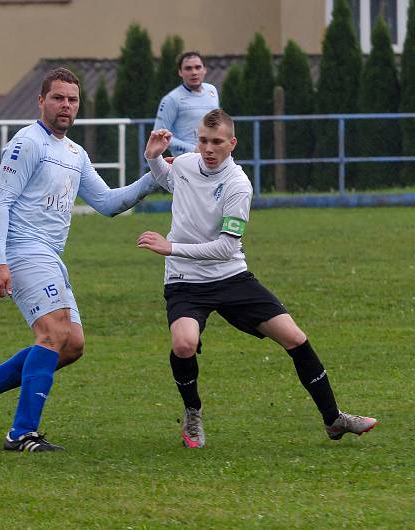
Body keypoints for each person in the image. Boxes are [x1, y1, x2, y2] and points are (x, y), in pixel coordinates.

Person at [137, 109, 377, 448]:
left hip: (231, 276)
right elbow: (171, 180)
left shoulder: (238, 184)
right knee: (184, 343)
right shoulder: (187, 163)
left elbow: (224, 248)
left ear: (232, 143)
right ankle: (193, 414)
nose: (208, 148)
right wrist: (154, 159)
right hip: (185, 280)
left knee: (294, 337)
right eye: (203, 141)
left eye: (217, 142)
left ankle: (334, 419)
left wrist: (171, 246)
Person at [0, 67, 157, 452]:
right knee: (53, 334)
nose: (66, 106)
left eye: (73, 99)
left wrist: (154, 177)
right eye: (58, 98)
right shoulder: (27, 143)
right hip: (23, 250)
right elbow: (0, 203)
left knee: (72, 344)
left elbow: (109, 203)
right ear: (41, 101)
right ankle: (22, 433)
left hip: (50, 256)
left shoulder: (75, 154)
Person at [154, 52, 219, 156]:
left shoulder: (212, 91)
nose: (194, 72)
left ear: (205, 69)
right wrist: (193, 150)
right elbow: (160, 136)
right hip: (186, 162)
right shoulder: (172, 99)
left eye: (198, 67)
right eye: (188, 68)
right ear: (180, 72)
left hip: (213, 158)